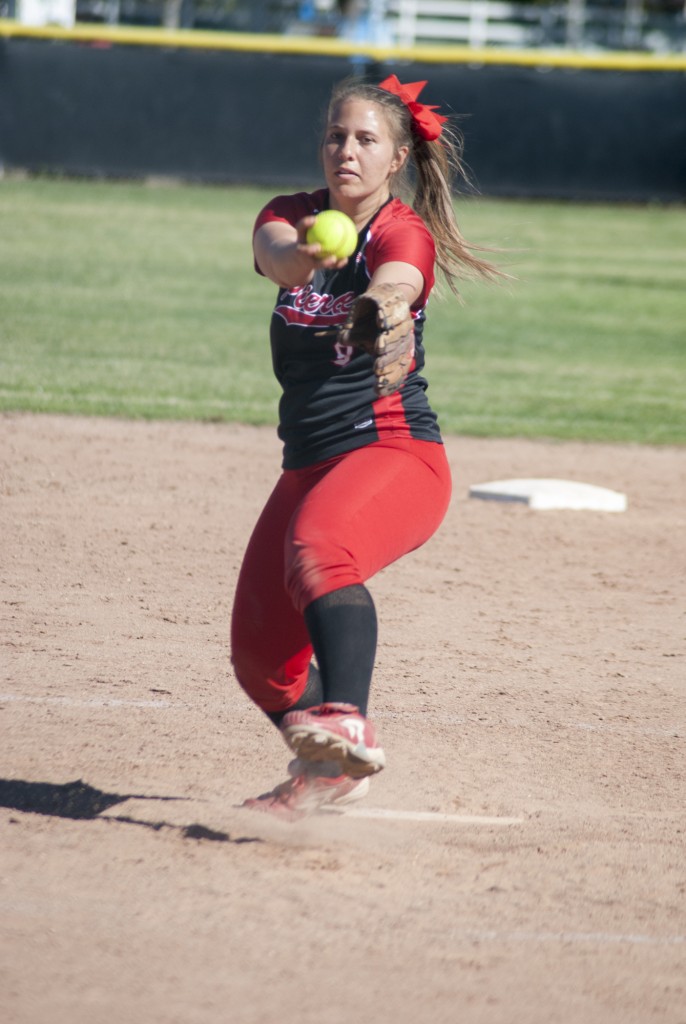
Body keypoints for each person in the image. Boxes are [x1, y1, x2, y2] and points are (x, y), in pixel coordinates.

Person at [231, 73, 500, 819]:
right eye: (335, 136)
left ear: (396, 160)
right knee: (260, 658)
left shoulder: (399, 228)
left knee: (320, 549)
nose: (345, 150)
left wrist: (382, 309)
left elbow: (399, 277)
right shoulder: (289, 216)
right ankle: (328, 771)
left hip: (393, 454)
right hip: (310, 463)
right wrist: (308, 259)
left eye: (365, 140)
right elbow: (278, 254)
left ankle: (347, 715)